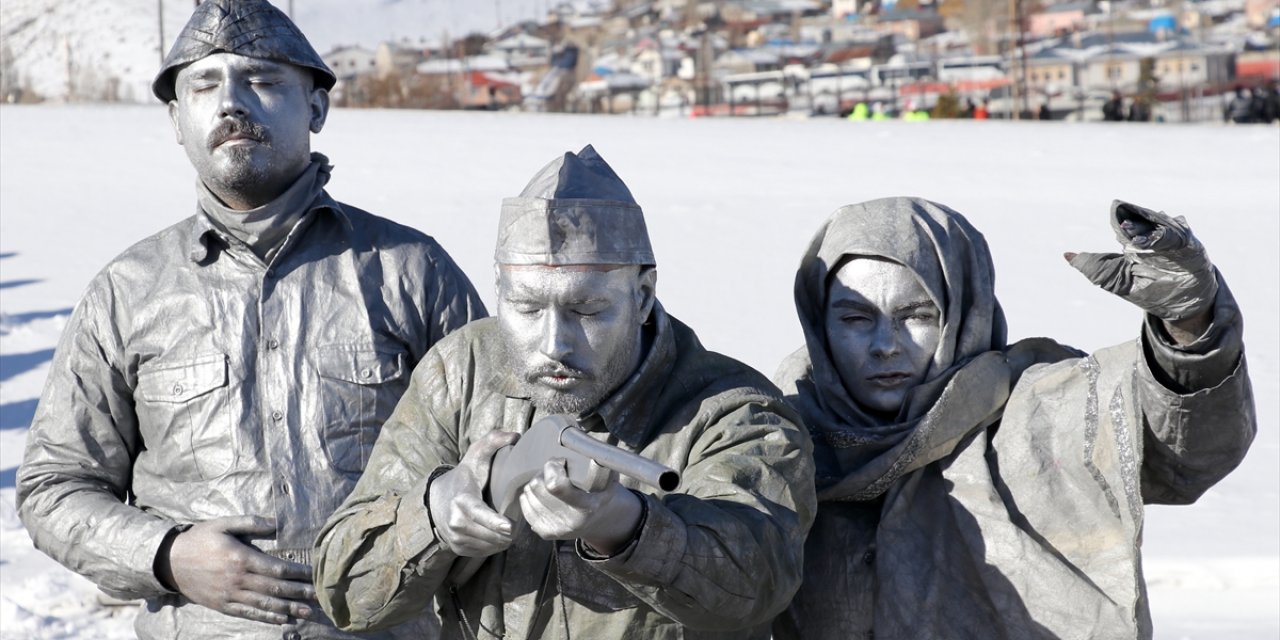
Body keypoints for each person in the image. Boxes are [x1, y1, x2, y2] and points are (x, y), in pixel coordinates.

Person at [16, 1, 485, 638]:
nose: (231, 102)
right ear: (177, 120)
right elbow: (54, 487)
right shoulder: (127, 292)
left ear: (316, 107)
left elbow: (497, 452)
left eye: (262, 81)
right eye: (203, 85)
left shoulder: (411, 270)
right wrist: (169, 556)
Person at [313, 145, 816, 639]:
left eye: (588, 311)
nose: (554, 344)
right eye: (527, 309)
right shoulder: (460, 371)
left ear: (642, 297)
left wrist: (625, 525)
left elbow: (758, 584)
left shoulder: (737, 412)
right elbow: (344, 592)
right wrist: (433, 517)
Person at [772, 197, 1254, 639]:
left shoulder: (1041, 412)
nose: (884, 345)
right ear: (819, 322)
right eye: (855, 319)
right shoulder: (779, 443)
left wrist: (1191, 327)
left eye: (916, 315)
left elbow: (1183, 455)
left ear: (962, 312)